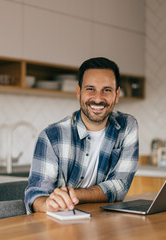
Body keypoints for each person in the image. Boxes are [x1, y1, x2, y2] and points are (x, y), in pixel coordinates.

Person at [24, 57, 139, 213]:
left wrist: (72, 194)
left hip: (103, 220)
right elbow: (35, 194)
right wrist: (47, 204)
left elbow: (119, 187)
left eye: (107, 90)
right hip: (62, 226)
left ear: (117, 94)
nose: (98, 98)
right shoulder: (52, 136)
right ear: (78, 92)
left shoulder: (127, 126)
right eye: (90, 89)